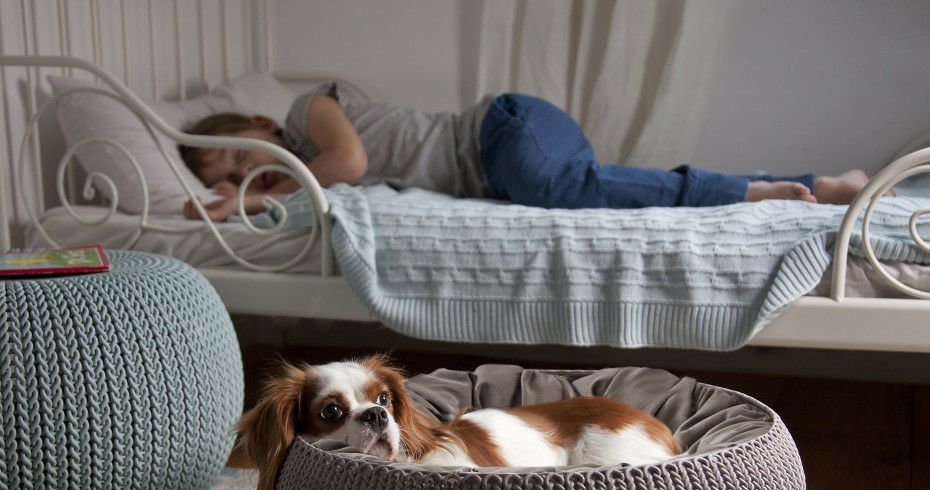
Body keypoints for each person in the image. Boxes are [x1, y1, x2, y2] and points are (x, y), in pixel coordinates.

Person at [179, 84, 874, 221]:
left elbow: (350, 165)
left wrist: (247, 200)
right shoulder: (302, 184)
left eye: (240, 156)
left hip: (502, 130)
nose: (248, 172)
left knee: (561, 189)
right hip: (511, 165)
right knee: (590, 190)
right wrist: (234, 204)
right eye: (235, 176)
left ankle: (757, 192)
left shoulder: (307, 112)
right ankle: (810, 185)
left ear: (262, 123)